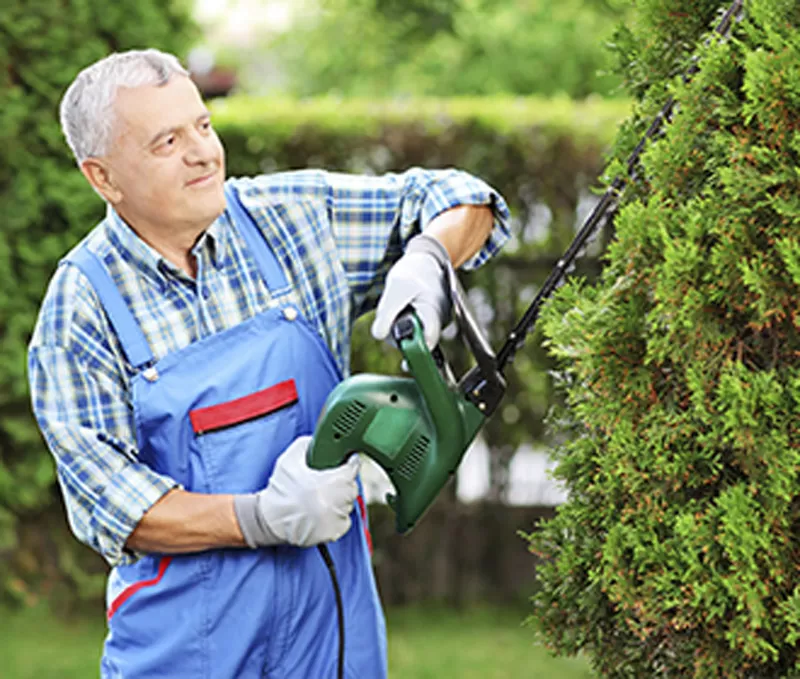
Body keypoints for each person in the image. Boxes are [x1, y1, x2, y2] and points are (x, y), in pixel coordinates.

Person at [28, 48, 510, 679]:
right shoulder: (80, 310)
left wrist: (428, 257)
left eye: (202, 125)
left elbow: (465, 199)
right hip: (185, 654)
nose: (202, 152)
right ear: (104, 178)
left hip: (332, 640)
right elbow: (112, 502)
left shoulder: (292, 220)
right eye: (167, 141)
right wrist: (259, 517)